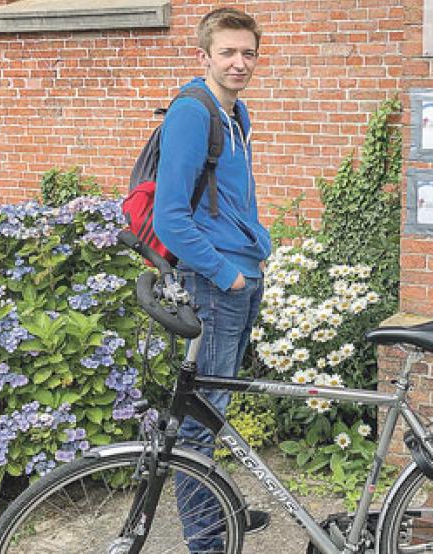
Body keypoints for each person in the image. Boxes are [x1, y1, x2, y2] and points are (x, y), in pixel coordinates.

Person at [152, 7, 272, 552]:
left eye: (248, 52)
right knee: (200, 423)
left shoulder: (236, 113)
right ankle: (206, 541)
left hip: (242, 275)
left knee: (214, 411)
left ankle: (216, 515)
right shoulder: (191, 113)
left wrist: (259, 246)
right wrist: (227, 276)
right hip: (214, 283)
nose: (239, 62)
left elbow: (232, 198)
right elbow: (170, 218)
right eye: (227, 52)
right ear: (205, 56)